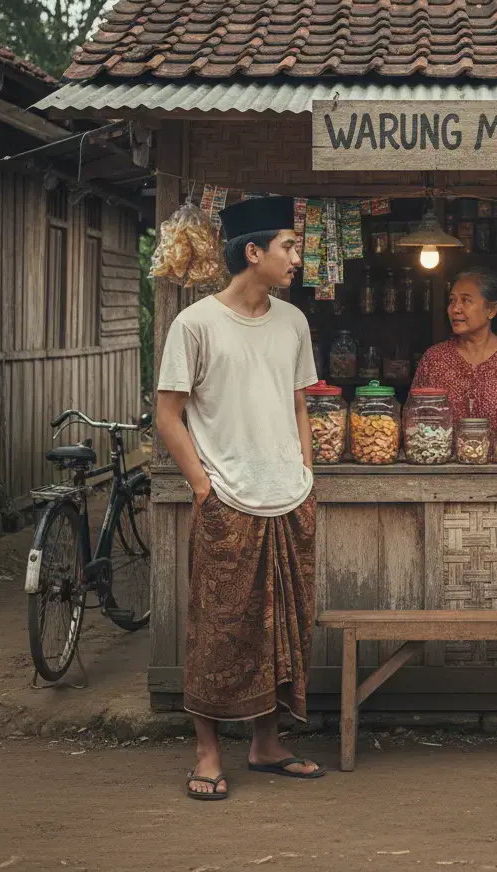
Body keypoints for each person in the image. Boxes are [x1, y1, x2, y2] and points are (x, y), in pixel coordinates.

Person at [156, 195, 326, 801]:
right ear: (253, 252)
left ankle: (267, 744)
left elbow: (300, 402)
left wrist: (305, 474)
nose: (296, 258)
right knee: (219, 627)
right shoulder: (195, 324)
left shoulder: (293, 322)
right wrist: (204, 488)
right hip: (227, 498)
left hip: (288, 498)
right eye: (289, 246)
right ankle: (207, 753)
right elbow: (168, 415)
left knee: (282, 625)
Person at [411, 265, 497, 432]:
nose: (455, 309)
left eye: (465, 300)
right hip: (445, 458)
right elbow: (414, 418)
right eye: (452, 300)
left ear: (491, 309)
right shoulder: (434, 358)